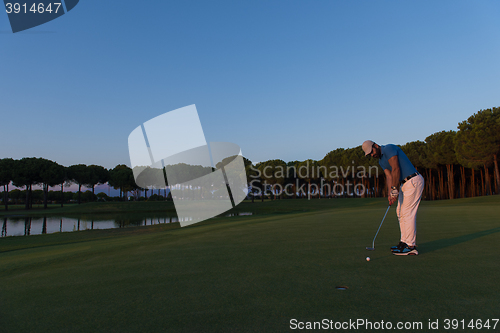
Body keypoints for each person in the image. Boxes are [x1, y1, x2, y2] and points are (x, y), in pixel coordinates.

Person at [362, 140, 424, 255]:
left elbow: (396, 169)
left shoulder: (388, 148)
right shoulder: (381, 161)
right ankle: (404, 242)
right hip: (403, 184)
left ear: (375, 145)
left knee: (407, 212)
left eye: (372, 152)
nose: (372, 155)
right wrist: (390, 193)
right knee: (400, 212)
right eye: (369, 154)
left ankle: (411, 246)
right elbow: (389, 176)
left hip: (413, 181)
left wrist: (395, 190)